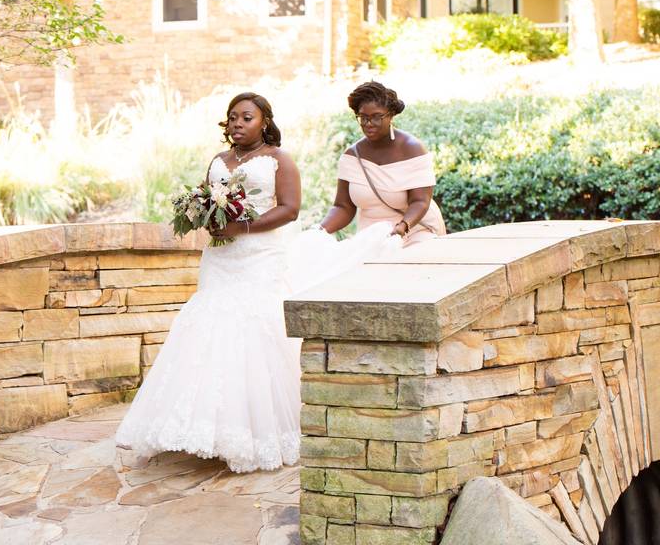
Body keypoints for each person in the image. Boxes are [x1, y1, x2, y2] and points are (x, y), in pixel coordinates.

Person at [115, 92, 303, 473]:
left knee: (253, 330)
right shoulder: (219, 161)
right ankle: (199, 426)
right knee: (208, 326)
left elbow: (290, 209)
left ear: (264, 121)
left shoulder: (279, 161)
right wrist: (203, 215)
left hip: (260, 258)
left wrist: (241, 225)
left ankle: (252, 431)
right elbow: (208, 202)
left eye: (246, 117)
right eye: (232, 117)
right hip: (220, 257)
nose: (237, 123)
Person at [316, 80, 445, 245]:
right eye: (363, 117)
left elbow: (420, 201)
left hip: (414, 231)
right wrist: (320, 230)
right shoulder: (351, 157)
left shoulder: (412, 149)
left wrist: (402, 227)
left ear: (390, 115)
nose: (369, 124)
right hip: (371, 237)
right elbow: (343, 207)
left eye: (377, 117)